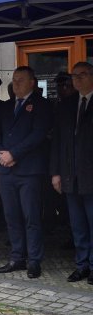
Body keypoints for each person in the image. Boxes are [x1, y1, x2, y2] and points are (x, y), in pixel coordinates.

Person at [0, 66, 52, 279]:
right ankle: (17, 257)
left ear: (32, 83)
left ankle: (34, 260)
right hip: (6, 171)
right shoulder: (6, 107)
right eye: (14, 80)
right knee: (11, 216)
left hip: (28, 171)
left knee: (31, 217)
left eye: (21, 80)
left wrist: (13, 154)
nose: (16, 83)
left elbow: (38, 135)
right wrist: (1, 153)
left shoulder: (42, 105)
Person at [51, 62, 93, 284]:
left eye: (82, 75)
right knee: (77, 224)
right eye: (74, 76)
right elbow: (57, 142)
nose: (77, 80)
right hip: (70, 175)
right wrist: (56, 173)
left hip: (90, 175)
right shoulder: (66, 105)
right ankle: (81, 265)